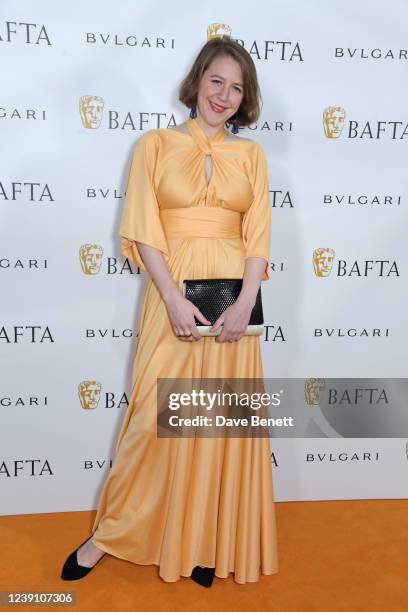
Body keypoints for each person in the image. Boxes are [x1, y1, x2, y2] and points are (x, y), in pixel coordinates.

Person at [61, 35, 279, 587]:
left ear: (245, 98)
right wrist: (172, 298)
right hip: (172, 298)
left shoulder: (251, 156)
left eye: (237, 88)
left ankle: (205, 543)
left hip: (233, 304)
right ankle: (106, 536)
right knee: (152, 422)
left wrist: (245, 304)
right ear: (197, 81)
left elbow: (258, 238)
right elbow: (144, 227)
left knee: (217, 425)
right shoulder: (154, 145)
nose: (224, 96)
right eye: (216, 82)